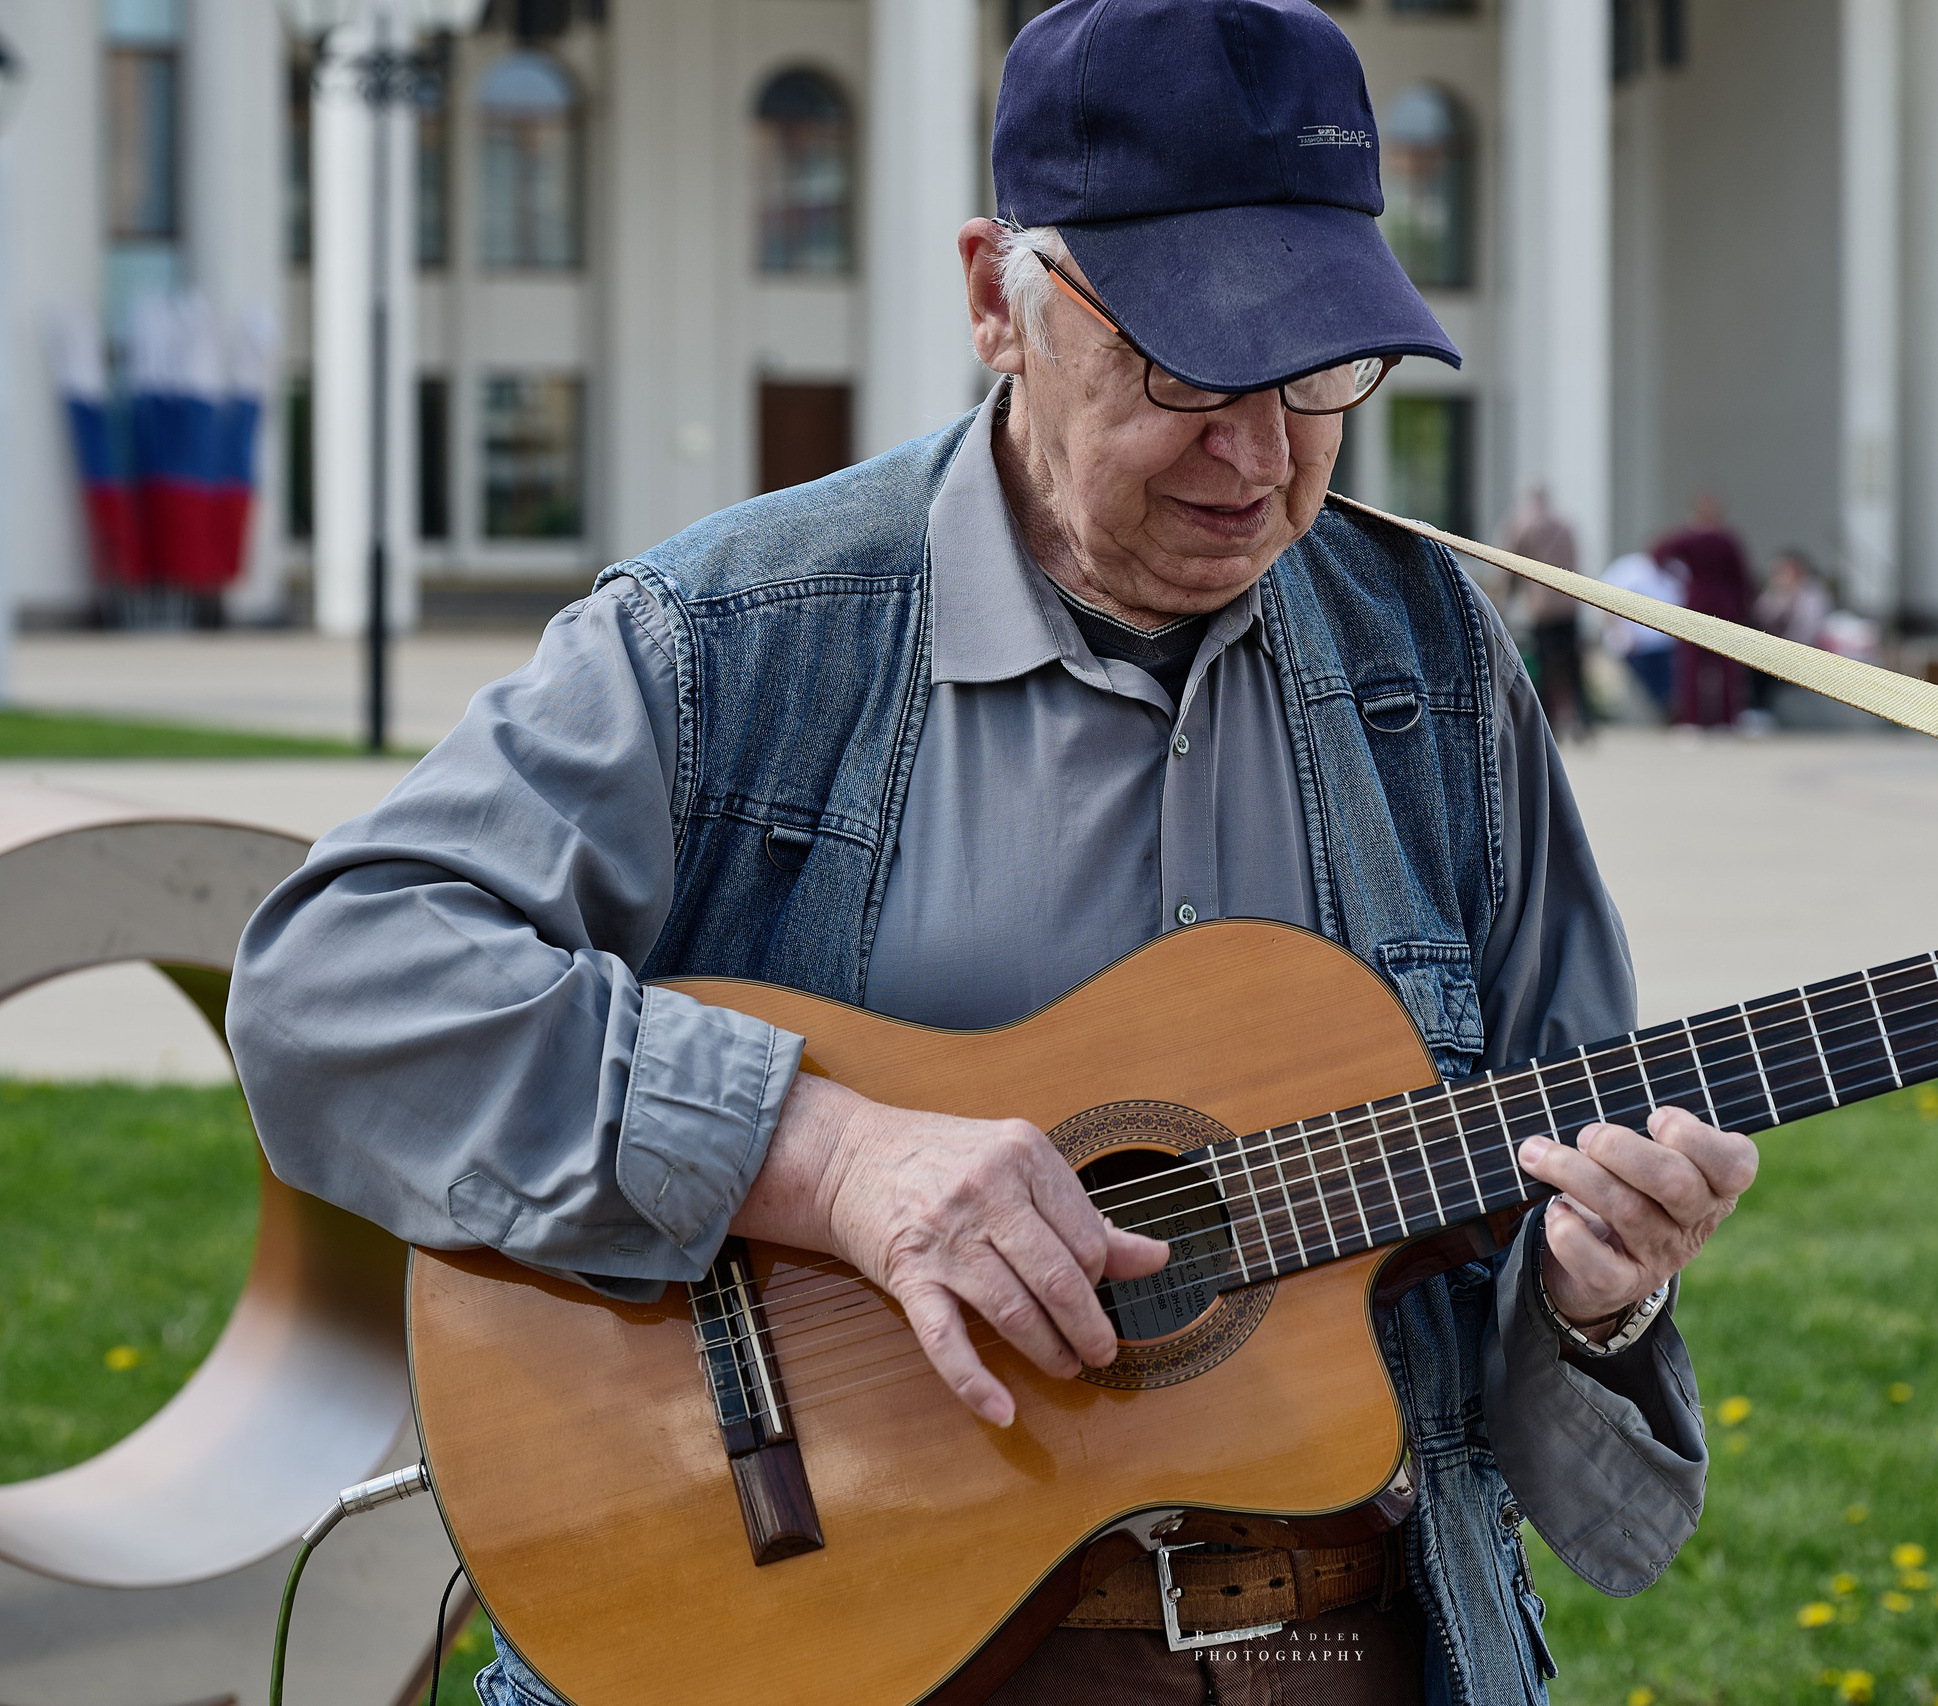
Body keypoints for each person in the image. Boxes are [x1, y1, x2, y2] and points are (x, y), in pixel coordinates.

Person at [225, 5, 1755, 1704]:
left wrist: (1597, 1297)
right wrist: (822, 1156)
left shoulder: (1440, 676)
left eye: (1320, 368)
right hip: (823, 1649)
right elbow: (328, 986)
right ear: (991, 300)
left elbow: (1577, 1434)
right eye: (1183, 367)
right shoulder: (734, 636)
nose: (1258, 454)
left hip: (1352, 1647)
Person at [1650, 496, 1754, 727]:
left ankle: (1694, 721)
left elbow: (1658, 552)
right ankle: (1724, 720)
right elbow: (1742, 578)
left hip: (1697, 602)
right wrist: (1742, 607)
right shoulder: (1726, 539)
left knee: (1693, 664)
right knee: (1723, 665)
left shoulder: (1690, 537)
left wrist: (1677, 577)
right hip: (1722, 604)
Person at [1503, 484, 1591, 740]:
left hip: (1543, 608)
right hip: (1569, 604)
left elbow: (1510, 563)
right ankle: (1584, 720)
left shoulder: (1524, 524)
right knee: (1573, 665)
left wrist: (1505, 599)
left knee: (1544, 665)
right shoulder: (1565, 525)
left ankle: (1548, 723)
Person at [1599, 548, 1684, 715]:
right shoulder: (1631, 569)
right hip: (1635, 646)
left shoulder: (1675, 570)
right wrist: (1620, 634)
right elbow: (1605, 601)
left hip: (1666, 646)